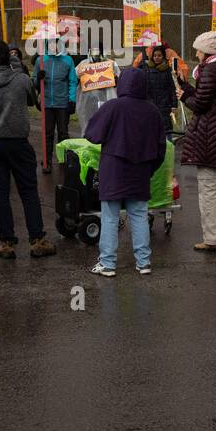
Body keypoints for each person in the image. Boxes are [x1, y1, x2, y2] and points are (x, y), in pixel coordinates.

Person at [84, 66, 167, 275]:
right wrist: (149, 169)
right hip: (140, 171)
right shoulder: (153, 110)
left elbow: (92, 134)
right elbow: (160, 148)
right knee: (139, 215)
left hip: (114, 169)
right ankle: (143, 262)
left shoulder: (113, 107)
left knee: (110, 217)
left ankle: (108, 263)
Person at [0, 38, 53, 260]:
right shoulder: (20, 80)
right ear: (9, 56)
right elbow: (32, 101)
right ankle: (37, 238)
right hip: (18, 142)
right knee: (28, 191)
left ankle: (6, 241)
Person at [178, 31, 216, 252]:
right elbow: (208, 98)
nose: (197, 53)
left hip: (210, 137)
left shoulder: (210, 70)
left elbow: (201, 104)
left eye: (199, 49)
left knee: (209, 188)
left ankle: (212, 238)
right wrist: (189, 88)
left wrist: (183, 96)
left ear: (208, 51)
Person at [34, 40, 77, 174]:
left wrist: (72, 100)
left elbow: (73, 81)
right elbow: (34, 81)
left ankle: (64, 160)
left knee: (63, 133)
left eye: (57, 44)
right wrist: (38, 79)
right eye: (51, 44)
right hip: (47, 103)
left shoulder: (68, 60)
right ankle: (47, 161)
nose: (54, 47)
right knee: (47, 133)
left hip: (62, 103)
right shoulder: (40, 60)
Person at [143, 43, 178, 131]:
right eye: (155, 56)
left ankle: (168, 144)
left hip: (165, 105)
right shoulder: (147, 70)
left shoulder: (168, 71)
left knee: (165, 127)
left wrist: (174, 105)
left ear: (163, 57)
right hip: (150, 104)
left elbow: (172, 88)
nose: (157, 57)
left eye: (159, 55)